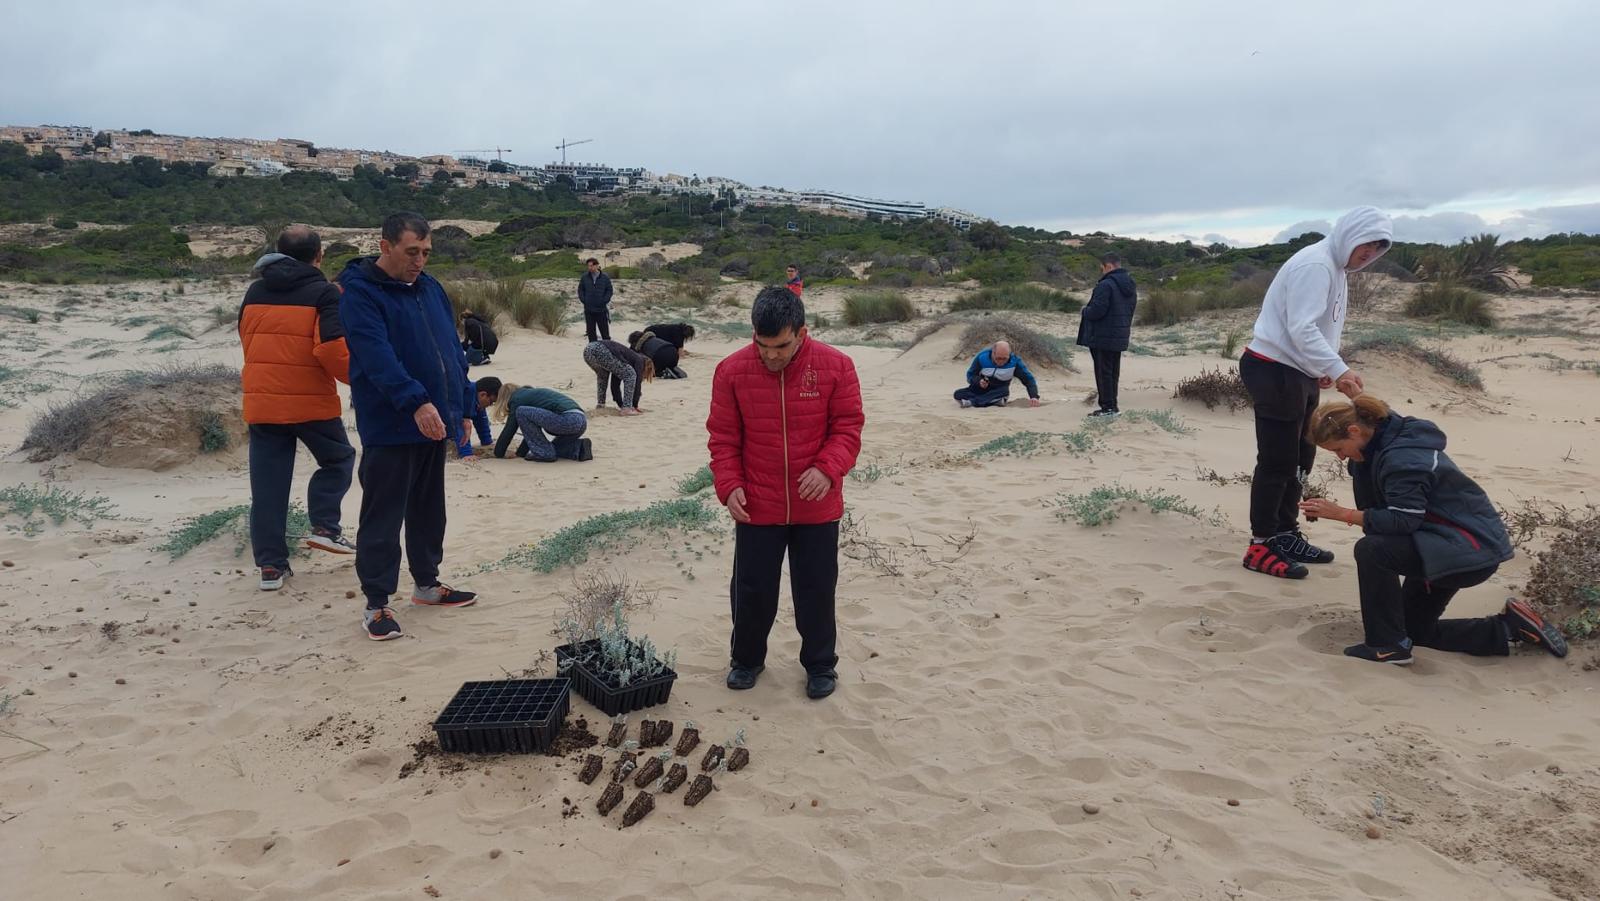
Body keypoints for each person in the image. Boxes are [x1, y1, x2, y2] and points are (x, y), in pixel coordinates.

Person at [1299, 394, 1567, 665]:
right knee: (1415, 631)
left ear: (1355, 431)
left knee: (1372, 551)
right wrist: (1355, 394)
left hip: (1464, 552)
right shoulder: (1384, 434)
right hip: (1440, 545)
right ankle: (1509, 627)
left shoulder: (1402, 459)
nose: (1341, 457)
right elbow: (1381, 414)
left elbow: (1403, 520)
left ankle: (1386, 647)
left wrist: (1341, 513)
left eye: (1338, 449)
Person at [707, 286, 864, 700]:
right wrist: (729, 485)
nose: (771, 355)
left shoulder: (837, 366)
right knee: (752, 588)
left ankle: (819, 666)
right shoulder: (730, 371)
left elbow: (848, 428)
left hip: (817, 504)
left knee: (815, 588)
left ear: (801, 332)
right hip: (757, 504)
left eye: (781, 346)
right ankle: (746, 660)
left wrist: (828, 469)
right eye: (763, 345)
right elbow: (722, 439)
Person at [339, 211, 477, 641]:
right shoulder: (360, 293)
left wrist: (463, 407)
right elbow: (377, 358)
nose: (420, 260)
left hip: (436, 421)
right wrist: (415, 402)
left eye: (426, 252)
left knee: (428, 508)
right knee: (383, 516)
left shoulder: (431, 288)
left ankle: (427, 585)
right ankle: (377, 604)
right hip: (391, 424)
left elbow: (452, 353)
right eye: (411, 251)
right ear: (385, 246)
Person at [1239, 205, 1393, 580]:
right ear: (1350, 235)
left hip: (1297, 371)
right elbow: (1301, 328)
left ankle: (1285, 533)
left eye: (1376, 249)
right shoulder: (1317, 264)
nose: (1368, 255)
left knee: (1301, 456)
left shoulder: (1337, 267)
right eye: (1365, 246)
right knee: (1276, 460)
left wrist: (1320, 367)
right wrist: (1338, 369)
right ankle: (1261, 545)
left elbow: (1321, 328)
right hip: (1273, 368)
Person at [239, 225, 357, 591]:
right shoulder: (325, 292)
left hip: (263, 403)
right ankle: (324, 526)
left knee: (268, 486)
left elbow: (245, 336)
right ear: (318, 255)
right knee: (338, 459)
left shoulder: (255, 290)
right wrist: (360, 378)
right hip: (311, 403)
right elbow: (331, 348)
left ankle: (271, 568)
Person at [1076, 253, 1137, 417]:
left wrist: (1084, 311)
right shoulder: (1130, 284)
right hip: (1119, 334)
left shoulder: (1106, 285)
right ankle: (1112, 406)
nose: (1101, 271)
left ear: (1108, 266)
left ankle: (1108, 407)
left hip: (1103, 335)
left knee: (1104, 372)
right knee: (1112, 372)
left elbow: (1097, 311)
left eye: (1102, 268)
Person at [483, 380, 593, 462]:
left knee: (521, 412)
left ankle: (544, 453)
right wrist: (520, 453)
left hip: (567, 419)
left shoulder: (516, 400)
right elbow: (530, 431)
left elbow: (509, 430)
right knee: (554, 447)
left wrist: (498, 453)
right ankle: (579, 448)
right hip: (581, 420)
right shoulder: (530, 394)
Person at [953, 341, 1041, 408]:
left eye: (1004, 359)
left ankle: (973, 402)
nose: (1001, 362)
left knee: (1003, 391)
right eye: (998, 358)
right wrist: (979, 381)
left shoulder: (1015, 362)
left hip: (999, 390)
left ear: (1009, 355)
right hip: (982, 388)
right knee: (958, 394)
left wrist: (1034, 396)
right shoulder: (982, 357)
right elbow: (970, 376)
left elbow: (1028, 380)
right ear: (993, 353)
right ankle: (993, 402)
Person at [583, 338, 652, 415]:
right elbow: (637, 384)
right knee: (630, 375)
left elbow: (615, 384)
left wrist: (620, 403)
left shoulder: (624, 362)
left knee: (603, 376)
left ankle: (601, 404)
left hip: (588, 350)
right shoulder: (640, 360)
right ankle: (627, 409)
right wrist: (634, 405)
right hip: (601, 349)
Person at [457, 375, 496, 460]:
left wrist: (487, 441)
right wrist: (466, 453)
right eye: (491, 402)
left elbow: (481, 421)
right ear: (483, 394)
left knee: (480, 412)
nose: (490, 405)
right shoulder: (467, 394)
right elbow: (460, 423)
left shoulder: (478, 398)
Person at [577, 257, 614, 342]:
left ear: (597, 265)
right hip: (589, 310)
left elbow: (609, 290)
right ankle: (593, 353)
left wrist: (604, 300)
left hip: (601, 309)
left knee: (605, 335)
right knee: (591, 334)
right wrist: (584, 300)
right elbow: (580, 290)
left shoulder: (605, 277)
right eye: (588, 266)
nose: (590, 268)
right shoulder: (584, 277)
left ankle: (609, 353)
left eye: (591, 266)